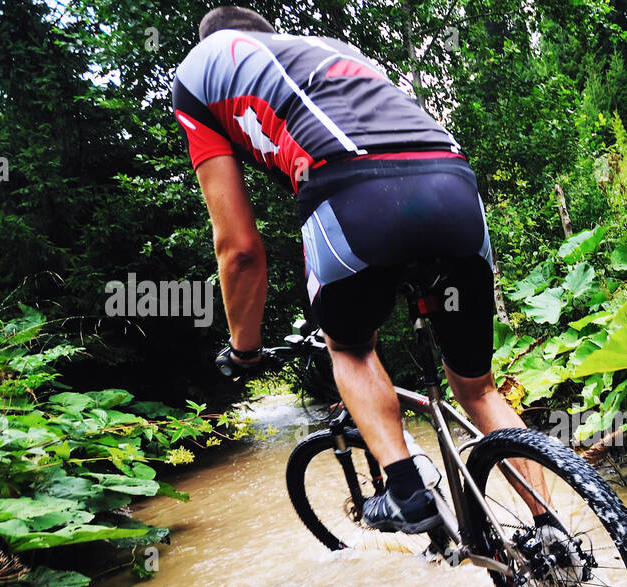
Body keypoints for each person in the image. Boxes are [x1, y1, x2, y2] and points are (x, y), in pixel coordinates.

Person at [173, 5, 531, 534]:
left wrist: (244, 349)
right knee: (478, 389)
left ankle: (407, 491)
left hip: (351, 189)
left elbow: (240, 248)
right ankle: (550, 531)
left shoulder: (197, 72)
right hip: (454, 181)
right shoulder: (332, 49)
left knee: (351, 346)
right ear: (269, 35)